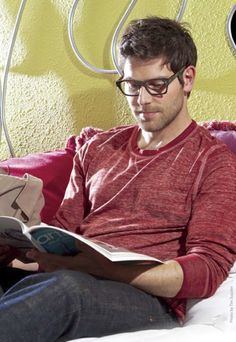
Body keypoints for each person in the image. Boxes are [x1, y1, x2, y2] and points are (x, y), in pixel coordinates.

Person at [0, 16, 236, 342]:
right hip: (72, 277)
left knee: (66, 291)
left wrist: (102, 268)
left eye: (156, 85)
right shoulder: (96, 147)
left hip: (143, 299)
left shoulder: (213, 161)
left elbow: (207, 269)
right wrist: (28, 242)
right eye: (132, 86)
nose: (142, 100)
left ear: (188, 79)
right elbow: (63, 231)